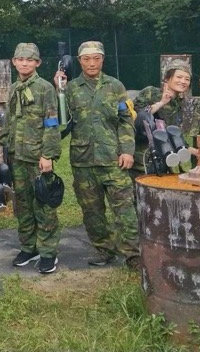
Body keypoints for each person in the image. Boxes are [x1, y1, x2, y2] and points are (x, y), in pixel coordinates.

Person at [55, 41, 140, 269]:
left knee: (124, 209)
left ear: (102, 59)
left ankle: (133, 254)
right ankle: (104, 250)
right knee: (92, 211)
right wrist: (59, 91)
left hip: (113, 159)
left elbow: (126, 120)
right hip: (83, 161)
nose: (92, 63)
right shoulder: (71, 89)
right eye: (86, 59)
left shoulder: (115, 86)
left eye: (96, 58)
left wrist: (127, 151)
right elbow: (61, 124)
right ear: (79, 61)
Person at [0, 43, 61, 274]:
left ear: (37, 63)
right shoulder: (14, 88)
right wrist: (4, 149)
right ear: (14, 62)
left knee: (43, 204)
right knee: (23, 205)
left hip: (37, 157)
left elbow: (51, 123)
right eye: (20, 59)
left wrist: (48, 155)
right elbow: (9, 121)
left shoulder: (45, 88)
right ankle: (29, 247)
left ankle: (48, 252)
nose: (24, 63)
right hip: (17, 156)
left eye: (29, 60)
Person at [132, 59, 192, 180]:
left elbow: (173, 133)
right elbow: (136, 117)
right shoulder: (151, 92)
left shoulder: (178, 103)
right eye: (179, 77)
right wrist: (162, 102)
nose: (183, 81)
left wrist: (193, 150)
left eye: (187, 79)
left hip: (163, 161)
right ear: (167, 78)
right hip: (141, 160)